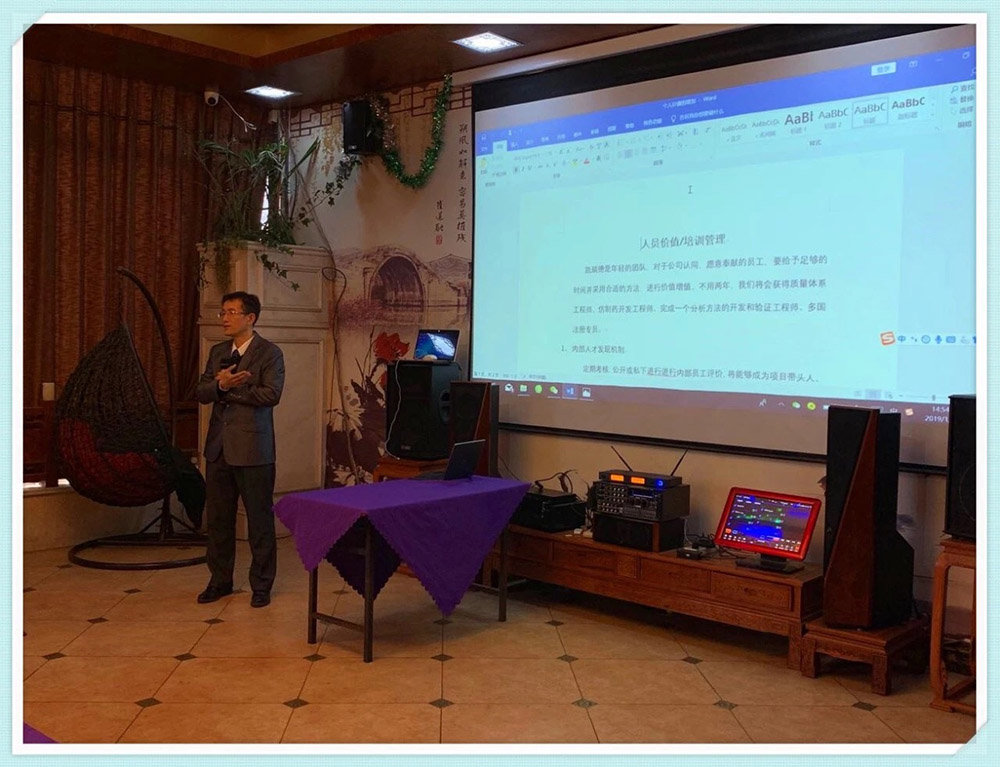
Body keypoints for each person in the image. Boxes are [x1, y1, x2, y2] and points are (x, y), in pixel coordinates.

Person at [195, 291, 285, 608]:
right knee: (219, 521)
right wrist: (220, 385)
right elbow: (202, 392)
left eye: (231, 312)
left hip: (253, 448)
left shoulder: (270, 353)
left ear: (250, 318)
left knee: (259, 521)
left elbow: (271, 395)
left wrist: (232, 388)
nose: (225, 318)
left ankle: (261, 585)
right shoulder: (218, 351)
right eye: (223, 312)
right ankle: (219, 581)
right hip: (218, 448)